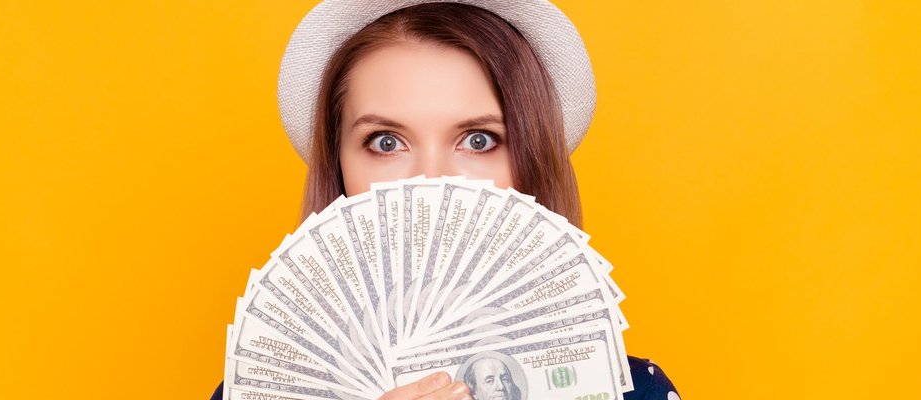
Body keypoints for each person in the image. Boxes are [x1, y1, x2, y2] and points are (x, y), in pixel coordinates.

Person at [213, 1, 680, 399]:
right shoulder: (247, 392)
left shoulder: (634, 391)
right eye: (386, 142)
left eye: (479, 140)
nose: (429, 181)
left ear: (530, 163)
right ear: (340, 167)